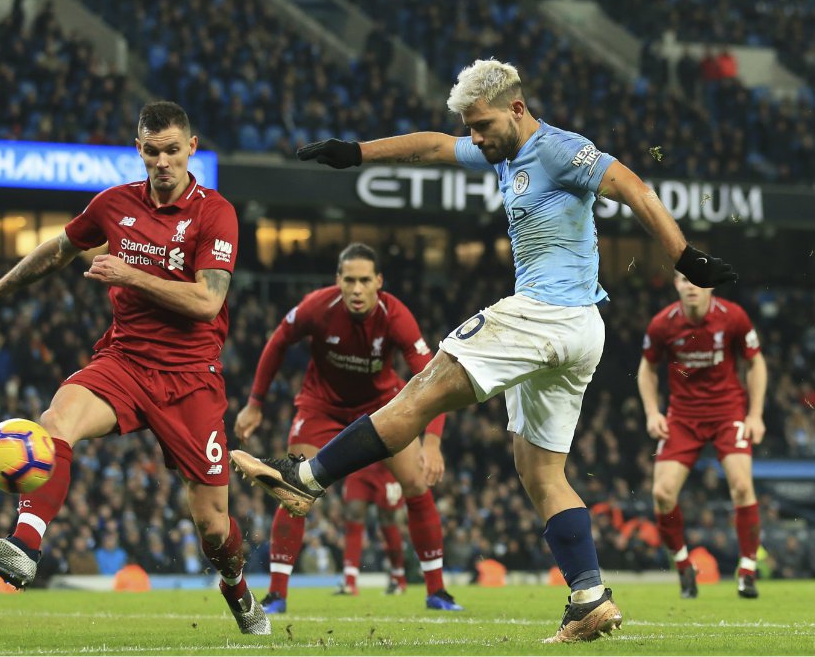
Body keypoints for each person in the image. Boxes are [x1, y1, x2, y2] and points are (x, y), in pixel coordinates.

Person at [231, 58, 737, 643]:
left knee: (420, 390)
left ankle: (307, 478)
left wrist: (683, 257)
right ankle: (589, 598)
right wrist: (359, 152)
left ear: (516, 110)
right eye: (470, 127)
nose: (474, 139)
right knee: (539, 470)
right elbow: (431, 148)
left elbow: (632, 186)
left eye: (482, 126)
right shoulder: (502, 148)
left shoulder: (557, 150)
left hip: (548, 315)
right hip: (576, 332)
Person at [0, 101, 269, 635]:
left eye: (172, 150)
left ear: (191, 147)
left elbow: (208, 302)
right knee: (56, 420)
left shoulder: (215, 213)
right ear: (138, 149)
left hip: (190, 378)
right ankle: (25, 546)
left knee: (214, 528)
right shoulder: (114, 205)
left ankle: (236, 589)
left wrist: (131, 274)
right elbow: (57, 251)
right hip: (123, 361)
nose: (162, 161)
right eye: (151, 150)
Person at [233, 243, 461, 612]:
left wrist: (432, 440)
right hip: (321, 407)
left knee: (417, 485)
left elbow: (432, 376)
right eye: (349, 280)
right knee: (295, 488)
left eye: (365, 281)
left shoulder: (395, 315)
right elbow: (277, 342)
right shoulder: (317, 307)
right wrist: (255, 403)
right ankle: (277, 595)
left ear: (379, 282)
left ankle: (436, 591)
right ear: (337, 281)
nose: (357, 289)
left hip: (382, 409)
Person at [638, 272, 766, 599]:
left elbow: (756, 363)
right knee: (663, 493)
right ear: (676, 284)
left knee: (741, 485)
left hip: (727, 412)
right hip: (683, 417)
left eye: (699, 279)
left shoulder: (733, 316)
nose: (692, 285)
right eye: (684, 279)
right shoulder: (662, 324)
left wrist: (754, 415)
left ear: (711, 285)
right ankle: (683, 567)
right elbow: (647, 368)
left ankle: (748, 569)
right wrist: (653, 412)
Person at [338, 461, 408, 596]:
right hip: (360, 466)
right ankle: (350, 582)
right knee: (353, 517)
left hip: (386, 467)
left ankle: (398, 577)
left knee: (387, 522)